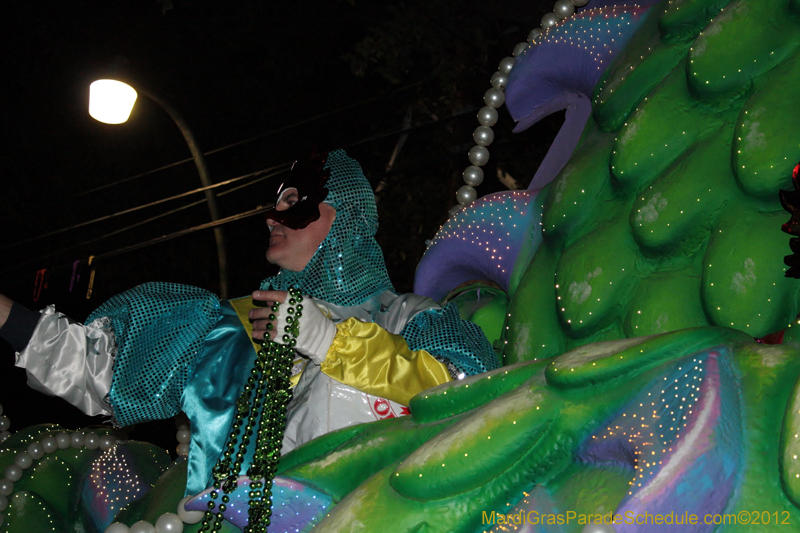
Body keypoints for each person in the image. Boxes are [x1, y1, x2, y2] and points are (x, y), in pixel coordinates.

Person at [0, 149, 499, 497]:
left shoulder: (412, 318)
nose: (271, 215)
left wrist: (328, 341)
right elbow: (97, 364)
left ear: (341, 217)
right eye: (276, 202)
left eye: (291, 201)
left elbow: (472, 398)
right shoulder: (228, 326)